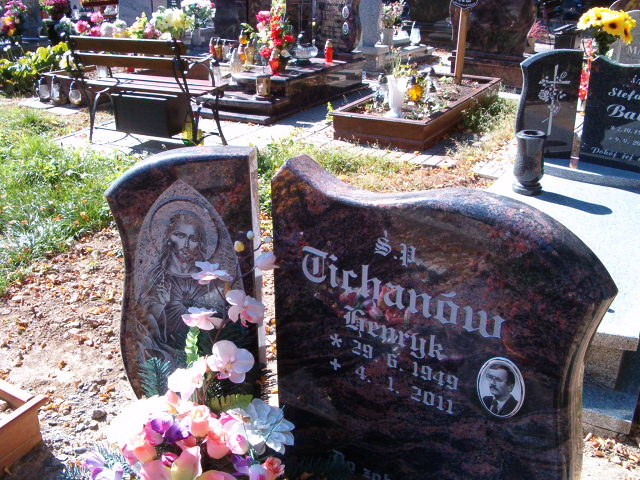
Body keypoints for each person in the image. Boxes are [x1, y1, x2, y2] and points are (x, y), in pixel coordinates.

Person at [138, 211, 223, 358]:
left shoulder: (209, 276)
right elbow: (141, 321)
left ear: (200, 243)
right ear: (169, 237)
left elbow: (221, 317)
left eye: (193, 238)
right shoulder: (157, 276)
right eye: (180, 236)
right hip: (164, 354)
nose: (186, 245)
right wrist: (160, 305)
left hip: (205, 353)